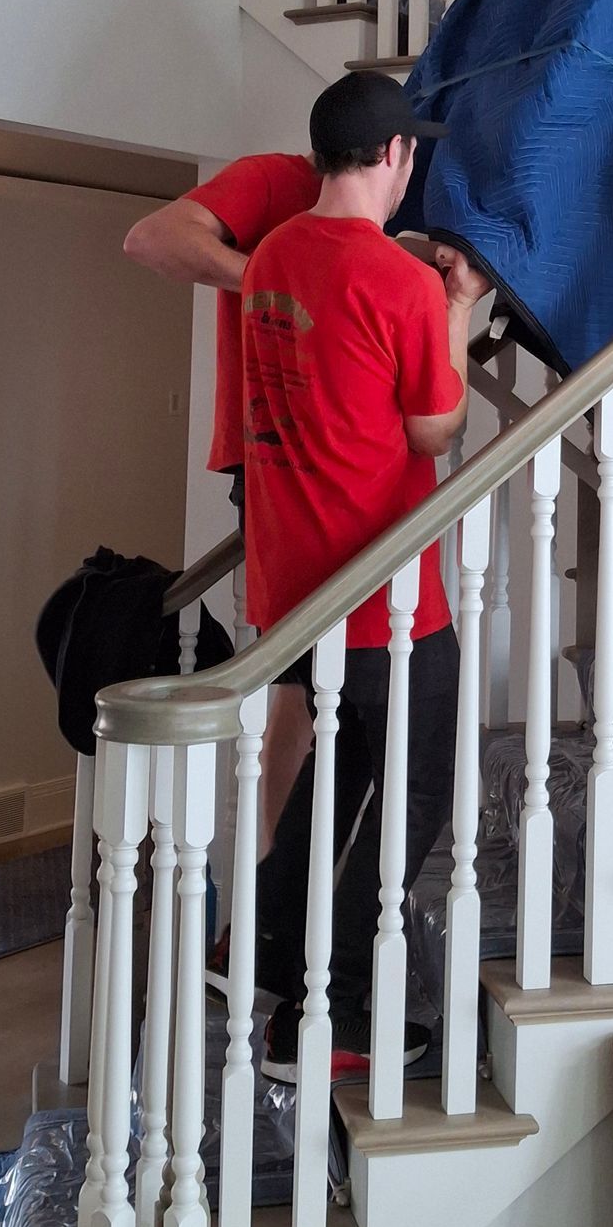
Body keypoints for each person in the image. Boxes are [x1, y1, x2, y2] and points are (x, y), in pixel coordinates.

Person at [246, 72, 490, 1079]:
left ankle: (269, 957)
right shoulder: (400, 284)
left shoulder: (270, 258)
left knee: (332, 780)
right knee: (419, 784)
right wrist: (457, 309)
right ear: (392, 157)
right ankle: (332, 1009)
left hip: (296, 591)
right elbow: (438, 427)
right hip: (385, 596)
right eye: (410, 157)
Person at [123, 144, 321, 856]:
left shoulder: (392, 213)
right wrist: (269, 279)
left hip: (346, 470)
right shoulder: (278, 178)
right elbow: (152, 237)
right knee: (294, 682)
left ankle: (279, 887)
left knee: (324, 690)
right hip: (276, 464)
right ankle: (261, 881)